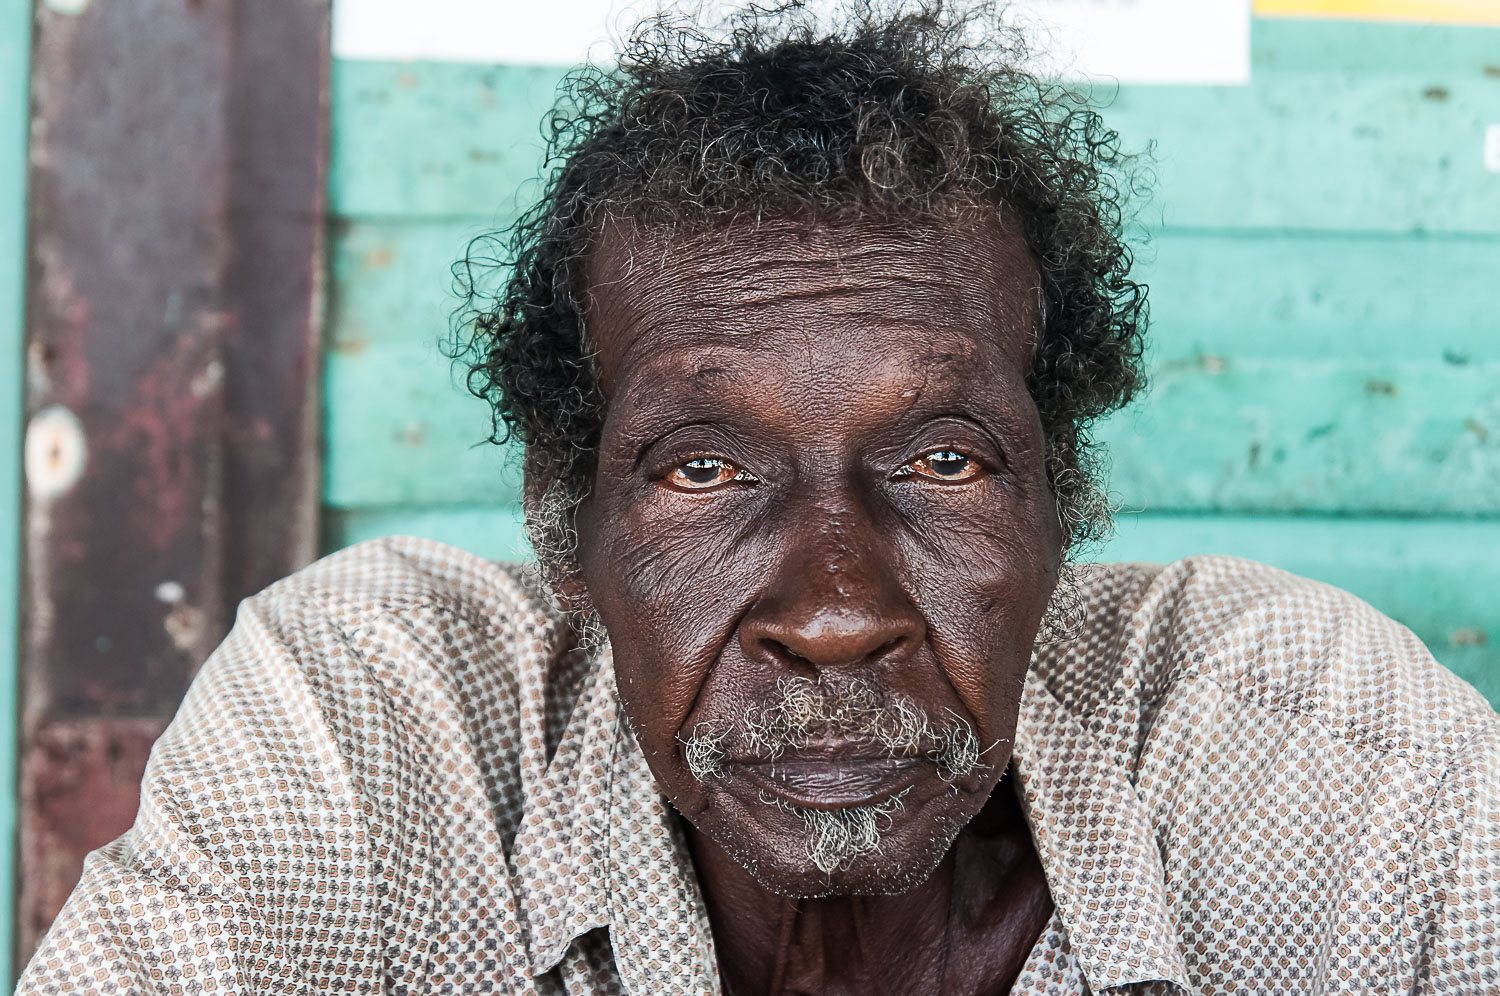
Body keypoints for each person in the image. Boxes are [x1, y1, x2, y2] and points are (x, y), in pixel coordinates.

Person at [18, 3, 1498, 994]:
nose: (837, 613)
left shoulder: (1326, 764)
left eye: (943, 460)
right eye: (706, 468)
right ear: (565, 528)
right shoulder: (372, 736)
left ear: (1066, 502)